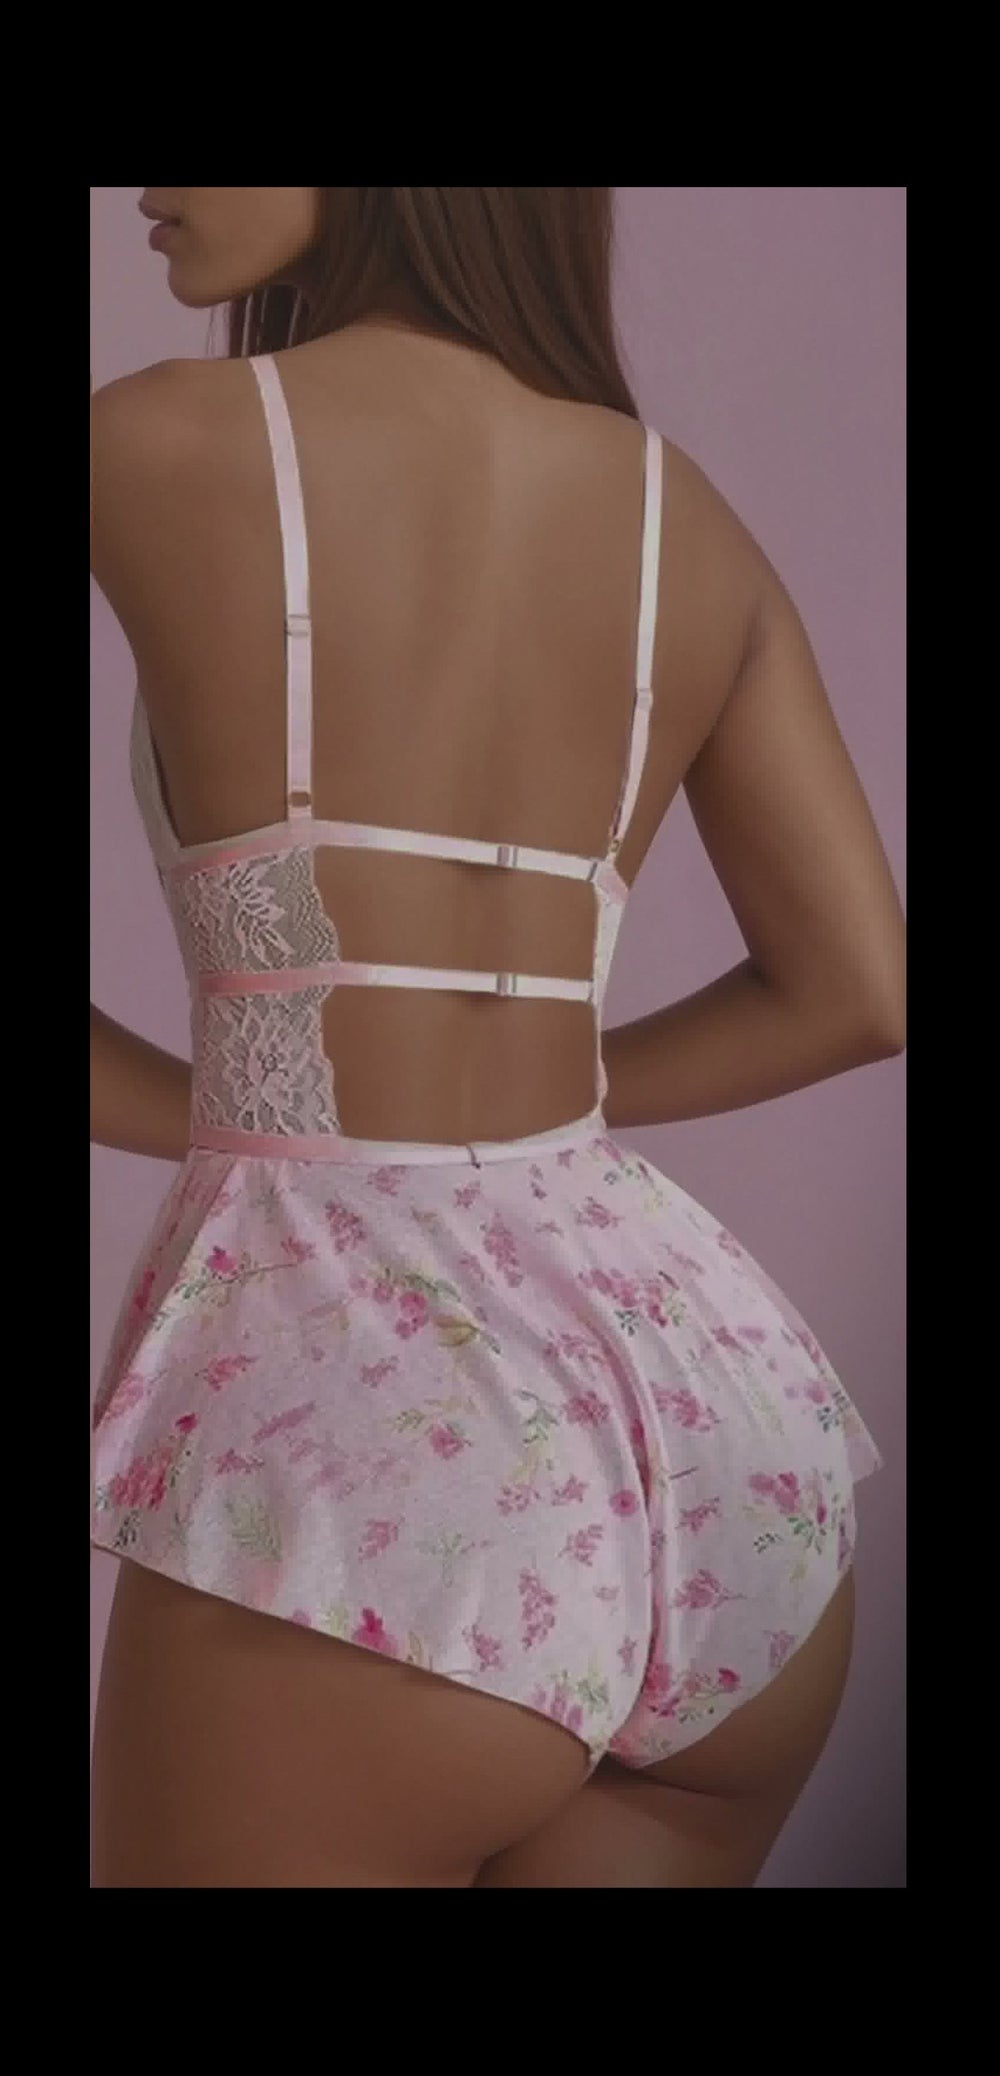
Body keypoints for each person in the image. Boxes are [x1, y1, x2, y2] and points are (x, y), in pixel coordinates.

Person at [89, 187, 905, 1889]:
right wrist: (522, 1114)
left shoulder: (156, 443)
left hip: (382, 1460)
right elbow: (859, 989)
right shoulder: (683, 514)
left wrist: (255, 1110)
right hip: (718, 1443)